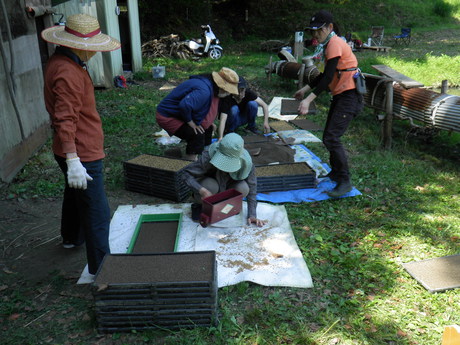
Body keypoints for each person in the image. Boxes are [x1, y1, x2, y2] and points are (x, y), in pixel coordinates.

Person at [41, 14, 121, 278]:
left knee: (74, 193)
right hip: (82, 151)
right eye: (91, 48)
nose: (94, 53)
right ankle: (103, 272)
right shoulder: (68, 73)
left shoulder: (60, 60)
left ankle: (71, 237)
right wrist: (74, 159)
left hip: (69, 149)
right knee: (97, 211)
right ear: (78, 46)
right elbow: (64, 119)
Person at [294, 10, 363, 198]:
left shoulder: (334, 44)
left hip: (350, 96)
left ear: (330, 27)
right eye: (312, 31)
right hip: (341, 95)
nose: (315, 35)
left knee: (332, 138)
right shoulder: (329, 44)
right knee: (328, 137)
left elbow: (327, 79)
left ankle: (345, 181)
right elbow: (325, 76)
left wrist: (308, 100)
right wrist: (305, 89)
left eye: (319, 30)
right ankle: (336, 172)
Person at [182, 133, 267, 227]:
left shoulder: (246, 164)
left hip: (229, 186)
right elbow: (185, 174)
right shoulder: (208, 155)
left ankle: (227, 206)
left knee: (243, 188)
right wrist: (202, 190)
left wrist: (252, 215)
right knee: (211, 185)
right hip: (211, 185)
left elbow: (252, 188)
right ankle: (203, 206)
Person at [156, 67, 239, 161]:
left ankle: (205, 157)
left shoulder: (208, 86)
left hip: (178, 114)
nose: (228, 94)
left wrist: (207, 122)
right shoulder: (204, 91)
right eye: (228, 91)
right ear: (221, 87)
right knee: (196, 135)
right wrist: (191, 122)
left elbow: (201, 106)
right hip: (167, 116)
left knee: (207, 128)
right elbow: (185, 105)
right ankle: (189, 163)